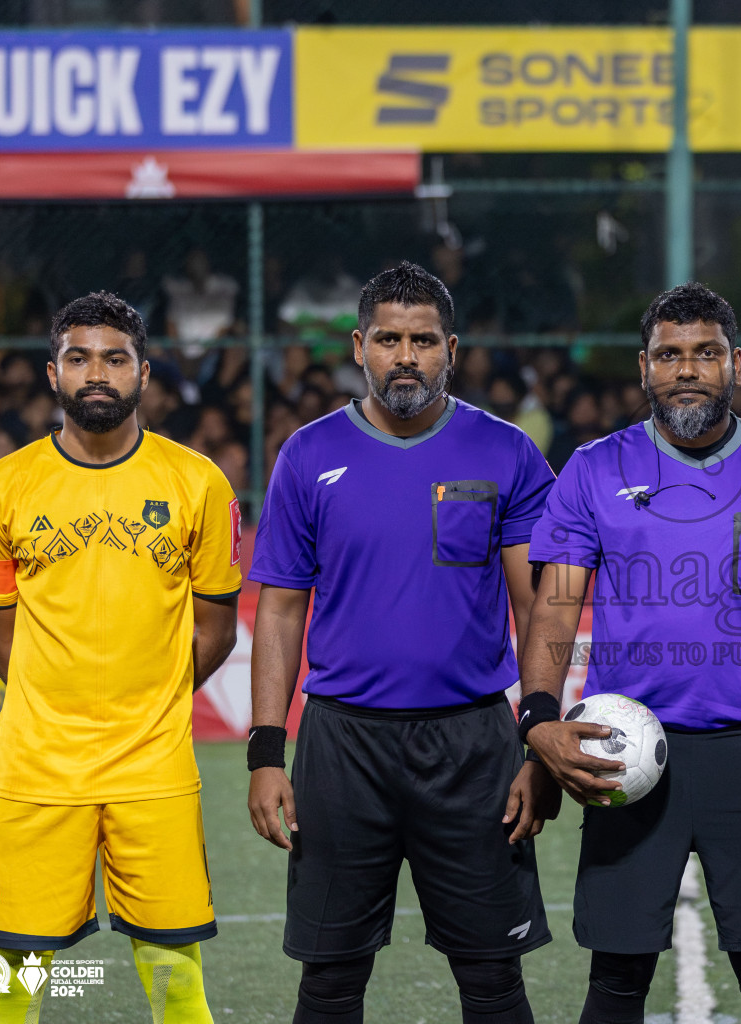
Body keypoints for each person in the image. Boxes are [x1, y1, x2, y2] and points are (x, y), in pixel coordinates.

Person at [520, 282, 741, 1024]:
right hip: (622, 750)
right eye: (670, 355)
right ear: (644, 367)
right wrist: (539, 720)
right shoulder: (594, 467)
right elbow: (556, 605)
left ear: (734, 363)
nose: (688, 369)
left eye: (705, 353)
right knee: (617, 977)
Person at [246, 262, 559, 1024]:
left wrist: (540, 743)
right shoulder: (307, 455)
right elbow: (281, 612)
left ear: (451, 348)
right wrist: (264, 754)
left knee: (492, 978)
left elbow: (538, 607)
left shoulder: (507, 452)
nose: (406, 356)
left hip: (474, 743)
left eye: (423, 340)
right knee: (328, 981)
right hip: (342, 746)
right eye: (389, 339)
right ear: (360, 346)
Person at [0, 292, 242, 1023]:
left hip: (154, 769)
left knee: (177, 980)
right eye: (79, 357)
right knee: (9, 983)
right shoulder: (1, 487)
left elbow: (217, 630)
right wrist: (49, 703)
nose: (97, 373)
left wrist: (149, 701)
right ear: (53, 373)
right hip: (37, 767)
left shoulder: (199, 484)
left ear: (143, 373)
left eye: (114, 359)